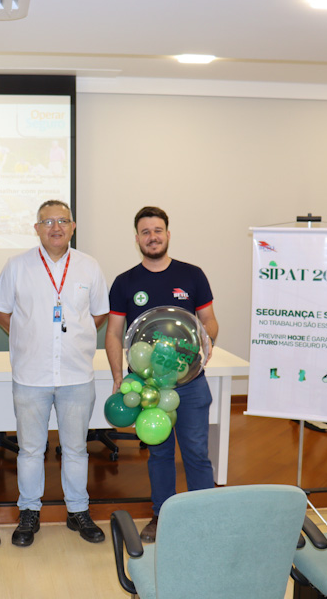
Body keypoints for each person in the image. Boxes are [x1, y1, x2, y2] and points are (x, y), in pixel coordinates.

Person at [0, 199, 109, 546]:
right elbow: (1, 312)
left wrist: (76, 337)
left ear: (73, 227)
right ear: (37, 229)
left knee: (75, 449)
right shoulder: (17, 266)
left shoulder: (89, 266)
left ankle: (78, 511)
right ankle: (29, 512)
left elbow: (99, 314)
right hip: (31, 376)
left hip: (76, 375)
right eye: (47, 222)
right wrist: (28, 336)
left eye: (62, 221)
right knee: (30, 450)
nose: (55, 227)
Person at [105, 206, 219, 543]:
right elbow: (114, 333)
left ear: (168, 234)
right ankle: (162, 515)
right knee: (159, 452)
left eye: (157, 230)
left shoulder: (192, 275)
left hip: (189, 382)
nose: (152, 237)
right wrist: (118, 376)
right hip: (149, 385)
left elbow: (209, 321)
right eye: (145, 232)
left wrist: (207, 341)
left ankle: (204, 518)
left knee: (196, 452)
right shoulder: (125, 282)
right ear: (137, 239)